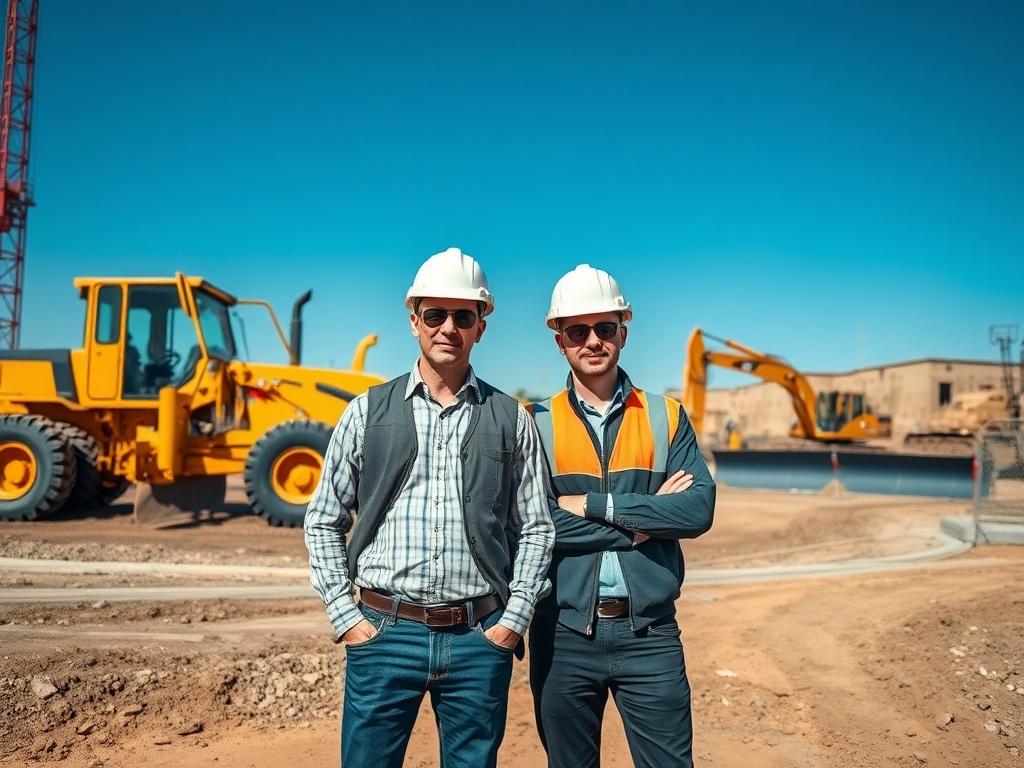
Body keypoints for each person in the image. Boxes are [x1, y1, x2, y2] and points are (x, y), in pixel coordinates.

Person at [304, 247, 555, 768]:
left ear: (481, 326)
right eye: (435, 315)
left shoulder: (512, 418)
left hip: (478, 640)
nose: (448, 328)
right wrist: (346, 617)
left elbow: (536, 528)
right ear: (414, 319)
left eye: (463, 316)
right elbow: (324, 518)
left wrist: (512, 622)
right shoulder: (366, 413)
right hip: (383, 634)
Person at [528, 264, 716, 768]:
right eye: (578, 331)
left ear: (623, 332)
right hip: (562, 633)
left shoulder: (665, 416)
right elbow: (535, 526)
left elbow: (697, 509)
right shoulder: (534, 424)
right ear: (559, 341)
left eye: (604, 328)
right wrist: (647, 520)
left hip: (650, 636)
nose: (593, 341)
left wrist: (596, 506)